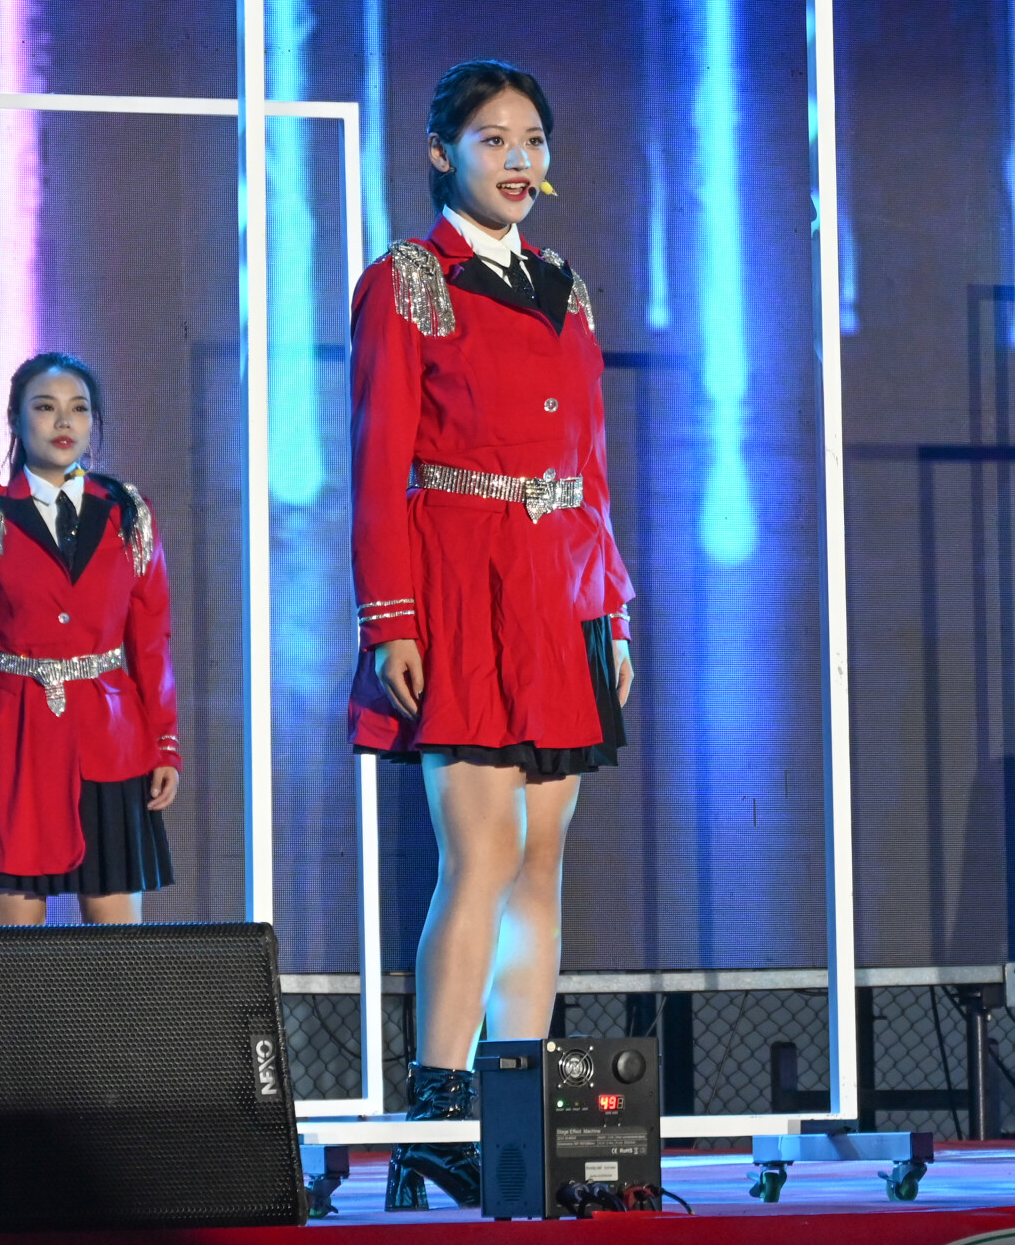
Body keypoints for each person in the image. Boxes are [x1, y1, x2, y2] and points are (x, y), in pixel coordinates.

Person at [346, 60, 635, 1210]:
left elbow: (591, 464)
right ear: (442, 154)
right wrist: (392, 617)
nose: (519, 160)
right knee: (480, 853)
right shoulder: (408, 280)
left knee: (543, 859)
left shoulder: (565, 284)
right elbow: (378, 462)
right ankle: (438, 1110)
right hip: (462, 586)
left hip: (561, 591)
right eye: (492, 139)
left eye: (532, 140)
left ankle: (523, 1114)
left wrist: (612, 606)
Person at [0, 352, 181, 925]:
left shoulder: (128, 513)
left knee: (117, 951)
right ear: (15, 420)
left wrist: (165, 743)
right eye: (45, 407)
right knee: (17, 953)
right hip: (11, 739)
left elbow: (151, 638)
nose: (64, 422)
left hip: (109, 738)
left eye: (78, 409)